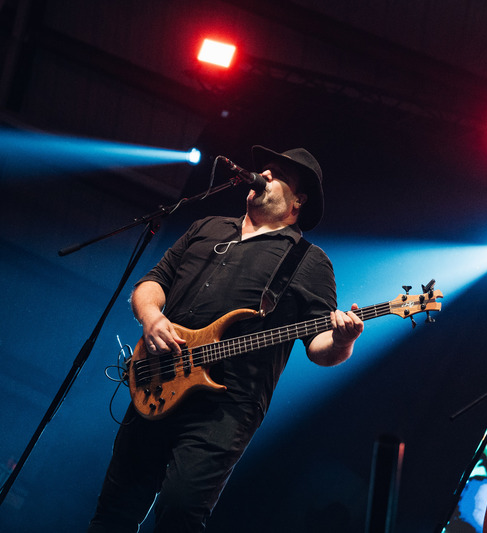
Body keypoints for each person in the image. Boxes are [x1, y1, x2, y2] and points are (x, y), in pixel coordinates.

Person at [87, 146, 364, 532]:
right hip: (158, 378)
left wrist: (343, 341)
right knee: (115, 510)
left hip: (226, 406)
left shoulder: (309, 261)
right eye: (265, 169)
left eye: (278, 175)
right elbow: (152, 283)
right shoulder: (207, 227)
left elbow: (319, 346)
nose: (264, 175)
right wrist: (151, 317)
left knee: (180, 510)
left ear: (298, 201)